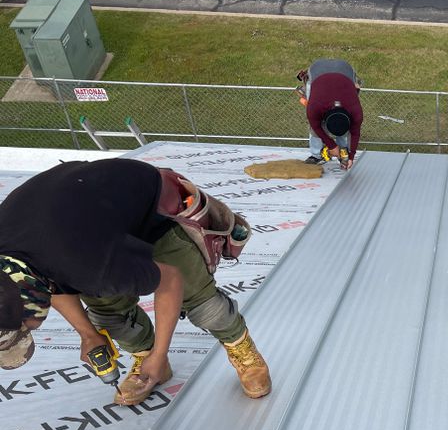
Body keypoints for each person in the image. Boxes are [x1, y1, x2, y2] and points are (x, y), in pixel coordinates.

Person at [0, 159, 271, 406]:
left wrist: (161, 353)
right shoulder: (12, 262)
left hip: (152, 212)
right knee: (109, 315)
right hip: (87, 220)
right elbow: (48, 282)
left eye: (25, 327)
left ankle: (242, 350)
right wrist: (88, 334)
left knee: (202, 302)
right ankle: (146, 354)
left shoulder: (90, 265)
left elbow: (170, 281)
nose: (29, 330)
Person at [297, 59, 363, 170]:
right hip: (317, 71)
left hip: (344, 70)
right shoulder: (315, 107)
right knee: (315, 126)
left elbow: (355, 133)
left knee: (341, 128)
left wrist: (350, 157)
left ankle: (343, 153)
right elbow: (315, 126)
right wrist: (332, 145)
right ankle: (316, 155)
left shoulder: (355, 110)